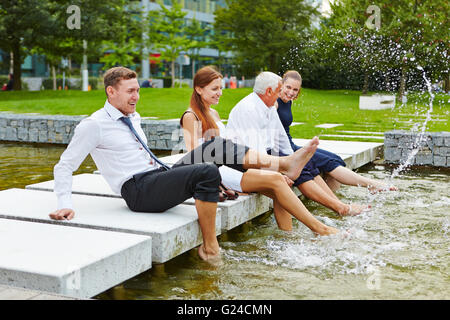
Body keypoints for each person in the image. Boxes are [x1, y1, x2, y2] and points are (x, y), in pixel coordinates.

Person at [49, 67, 325, 262]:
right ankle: (210, 247)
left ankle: (284, 163)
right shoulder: (93, 125)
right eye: (130, 91)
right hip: (137, 191)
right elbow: (64, 166)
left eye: (138, 90)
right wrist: (64, 203)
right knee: (205, 170)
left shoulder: (131, 115)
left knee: (213, 146)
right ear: (111, 91)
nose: (136, 96)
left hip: (156, 176)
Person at [180, 66, 339, 234]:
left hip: (231, 166)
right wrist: (218, 185)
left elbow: (226, 148)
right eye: (214, 89)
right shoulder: (191, 116)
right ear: (198, 89)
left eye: (220, 88)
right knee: (278, 180)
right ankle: (320, 228)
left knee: (281, 187)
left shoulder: (214, 113)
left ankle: (288, 235)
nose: (220, 92)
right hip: (217, 174)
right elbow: (194, 160)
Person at [226, 72, 371, 216]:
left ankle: (340, 205)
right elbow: (255, 152)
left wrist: (293, 159)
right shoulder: (249, 110)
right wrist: (277, 171)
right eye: (279, 90)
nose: (281, 95)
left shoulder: (268, 106)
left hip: (266, 153)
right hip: (246, 163)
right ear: (269, 91)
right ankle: (339, 208)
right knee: (297, 174)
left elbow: (280, 137)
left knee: (305, 165)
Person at [277, 70, 398, 194]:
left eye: (295, 90)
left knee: (336, 159)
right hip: (285, 151)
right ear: (281, 84)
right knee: (327, 163)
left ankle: (330, 204)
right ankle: (370, 184)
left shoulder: (289, 101)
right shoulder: (274, 102)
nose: (291, 92)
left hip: (291, 145)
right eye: (288, 87)